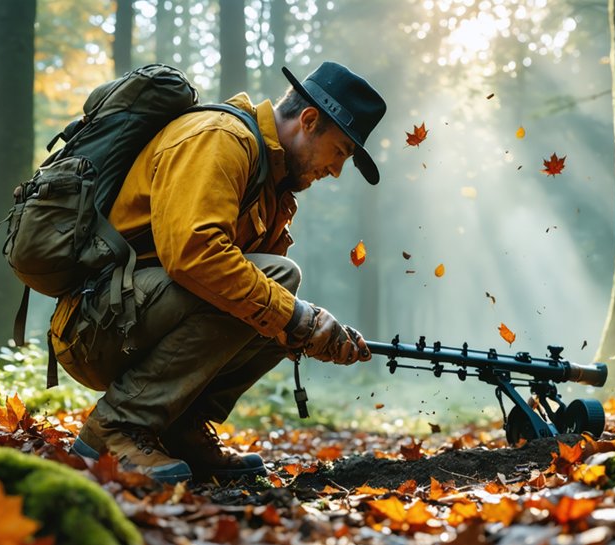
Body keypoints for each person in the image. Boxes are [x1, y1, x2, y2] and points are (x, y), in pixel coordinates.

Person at [49, 61, 387, 483]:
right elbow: (195, 256)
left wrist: (314, 329)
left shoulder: (272, 186)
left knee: (280, 297)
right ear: (309, 120)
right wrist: (297, 315)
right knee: (278, 288)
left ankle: (180, 426)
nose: (336, 171)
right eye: (340, 152)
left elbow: (256, 302)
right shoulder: (221, 138)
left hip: (131, 318)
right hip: (94, 325)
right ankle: (117, 428)